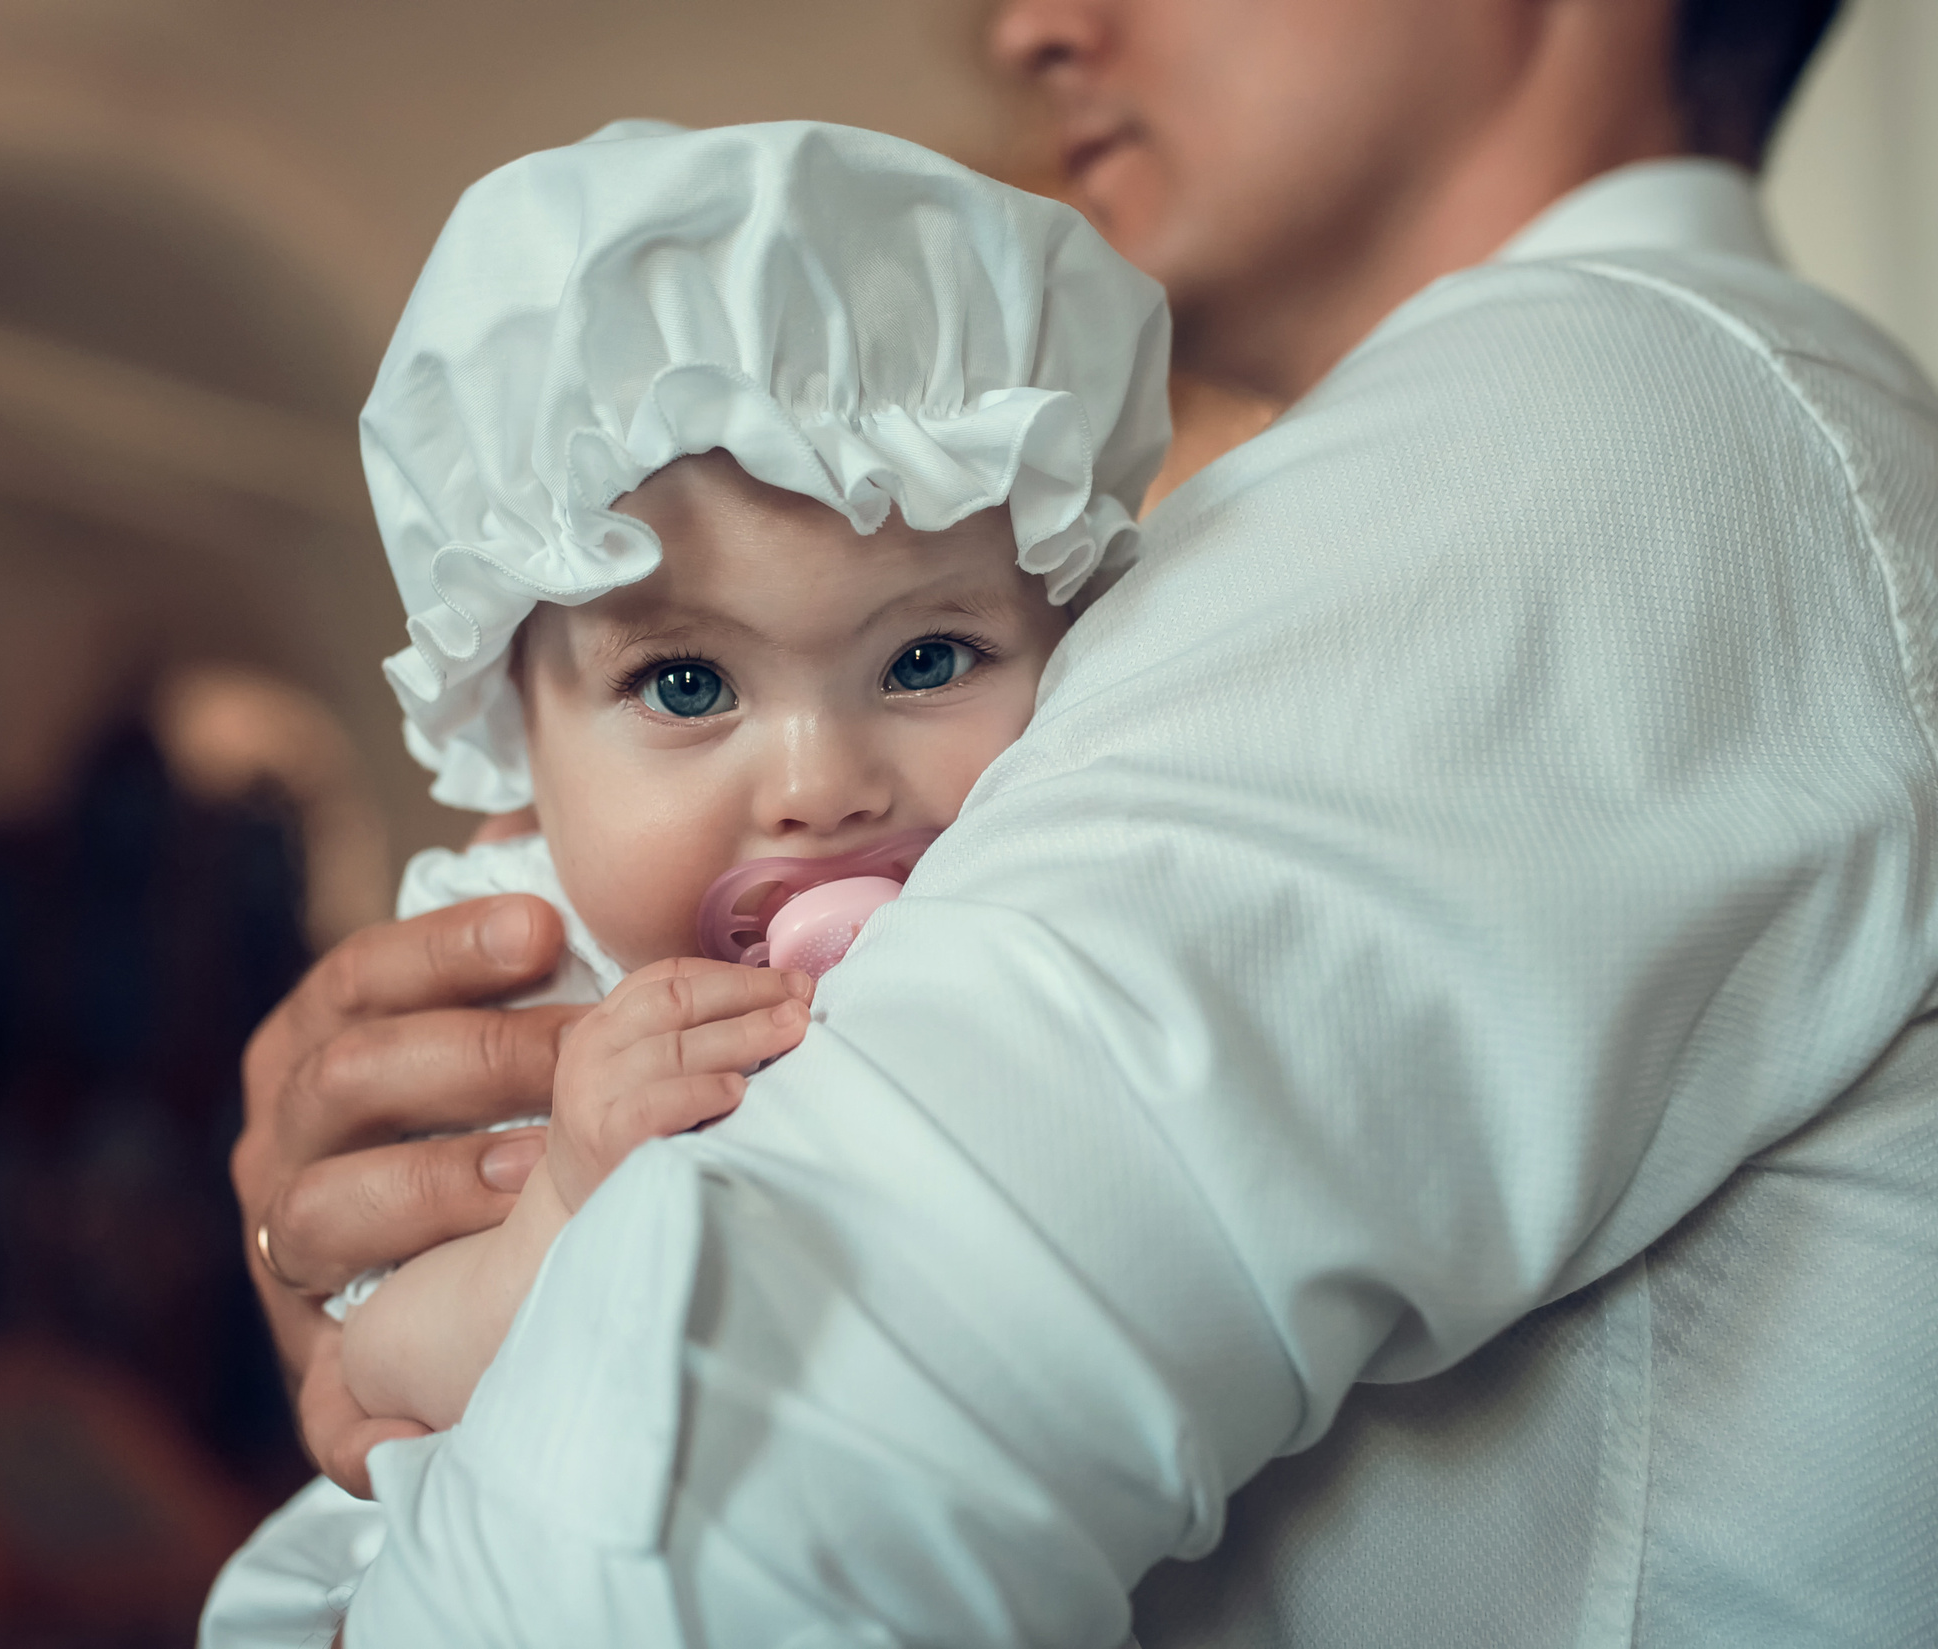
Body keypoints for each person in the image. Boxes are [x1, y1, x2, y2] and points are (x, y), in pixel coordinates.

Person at [228, 0, 1938, 1641]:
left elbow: (699, 1541)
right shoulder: (1551, 470)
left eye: (925, 656)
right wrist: (413, 1271)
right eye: (688, 686)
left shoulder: (1588, 431)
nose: (1027, 23)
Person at [203, 118, 1170, 1638]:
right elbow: (372, 1385)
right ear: (513, 727)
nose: (819, 785)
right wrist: (561, 1210)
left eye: (927, 658)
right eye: (687, 686)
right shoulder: (528, 972)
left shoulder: (1055, 915)